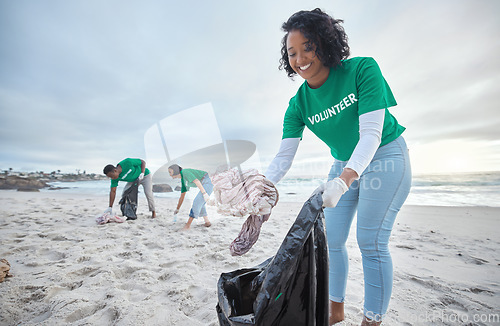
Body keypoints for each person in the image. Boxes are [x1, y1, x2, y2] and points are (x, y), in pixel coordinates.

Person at [264, 8, 412, 326]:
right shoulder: (298, 104)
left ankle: (372, 320)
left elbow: (371, 134)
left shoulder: (362, 69)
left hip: (385, 157)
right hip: (344, 163)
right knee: (332, 241)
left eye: (308, 47)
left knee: (370, 241)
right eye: (292, 52)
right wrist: (261, 187)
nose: (300, 58)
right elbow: (283, 158)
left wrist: (344, 180)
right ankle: (336, 310)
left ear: (325, 43)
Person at [168, 164, 213, 230]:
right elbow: (182, 196)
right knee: (200, 203)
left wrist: (204, 193)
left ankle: (187, 226)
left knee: (196, 202)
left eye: (170, 172)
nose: (169, 174)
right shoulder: (183, 180)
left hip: (207, 181)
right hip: (204, 183)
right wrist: (177, 209)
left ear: (175, 170)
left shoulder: (184, 172)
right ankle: (207, 222)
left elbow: (197, 181)